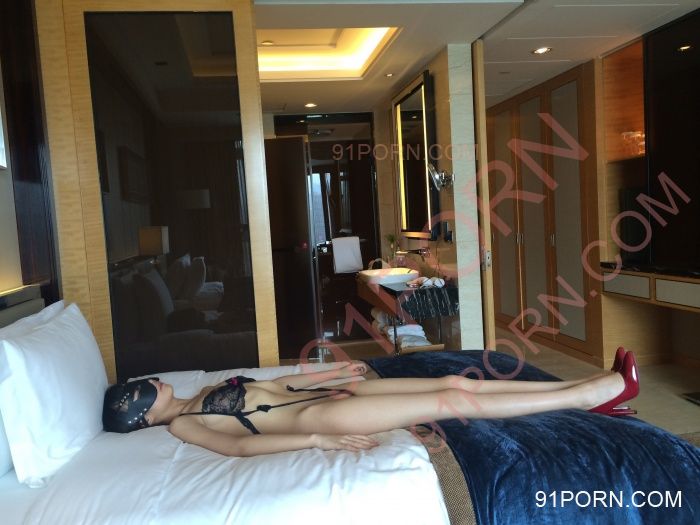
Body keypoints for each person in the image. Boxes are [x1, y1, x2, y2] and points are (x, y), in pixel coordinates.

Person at [103, 348, 639, 457]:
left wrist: (334, 371)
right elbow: (239, 449)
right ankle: (592, 395)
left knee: (457, 379)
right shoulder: (182, 425)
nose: (153, 381)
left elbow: (277, 384)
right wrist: (318, 438)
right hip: (321, 415)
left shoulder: (199, 390)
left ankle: (583, 389)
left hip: (325, 393)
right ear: (140, 414)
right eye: (144, 389)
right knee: (451, 399)